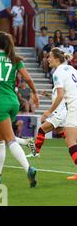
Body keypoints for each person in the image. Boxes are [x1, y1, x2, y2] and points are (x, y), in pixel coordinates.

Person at [0, 32, 39, 187]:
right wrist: (35, 93)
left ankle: (28, 168)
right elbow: (28, 78)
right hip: (13, 102)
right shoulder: (14, 58)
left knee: (9, 140)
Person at [41, 48, 77, 180]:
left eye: (49, 56)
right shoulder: (72, 69)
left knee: (70, 140)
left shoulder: (57, 73)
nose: (47, 59)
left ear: (56, 58)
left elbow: (60, 95)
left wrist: (49, 112)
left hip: (74, 106)